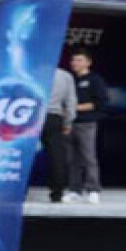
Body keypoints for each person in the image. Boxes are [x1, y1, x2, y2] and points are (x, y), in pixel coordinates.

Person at [63, 47, 109, 204]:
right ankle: (74, 190)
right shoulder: (70, 80)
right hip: (69, 123)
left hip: (86, 123)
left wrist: (75, 107)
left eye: (79, 60)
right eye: (73, 60)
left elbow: (100, 103)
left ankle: (93, 189)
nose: (75, 63)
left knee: (88, 157)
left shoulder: (95, 80)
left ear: (88, 62)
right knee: (71, 159)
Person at [42, 67, 77, 202]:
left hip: (30, 115)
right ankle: (57, 192)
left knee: (25, 154)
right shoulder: (65, 75)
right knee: (56, 156)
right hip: (53, 117)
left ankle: (20, 191)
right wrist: (68, 122)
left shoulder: (32, 71)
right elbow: (71, 101)